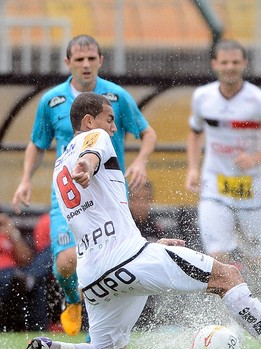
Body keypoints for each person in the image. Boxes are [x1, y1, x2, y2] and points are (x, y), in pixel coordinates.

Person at [26, 93, 261, 349]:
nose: (114, 127)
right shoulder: (95, 137)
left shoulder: (57, 169)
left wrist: (148, 245)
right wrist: (88, 164)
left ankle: (50, 347)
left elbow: (102, 220)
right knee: (227, 276)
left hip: (93, 275)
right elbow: (92, 153)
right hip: (127, 259)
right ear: (89, 121)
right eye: (110, 119)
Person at [11, 34, 157, 336]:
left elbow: (148, 133)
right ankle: (71, 296)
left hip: (109, 198)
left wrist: (140, 161)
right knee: (67, 262)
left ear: (101, 61)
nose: (86, 65)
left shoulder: (116, 97)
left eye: (92, 59)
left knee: (110, 267)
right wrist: (25, 179)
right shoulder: (52, 101)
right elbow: (37, 145)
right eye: (79, 60)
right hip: (68, 198)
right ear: (68, 63)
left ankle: (98, 334)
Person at [185, 39, 261, 287]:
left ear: (244, 64)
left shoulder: (260, 100)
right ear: (215, 64)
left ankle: (256, 301)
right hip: (214, 185)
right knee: (217, 254)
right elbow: (194, 132)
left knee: (253, 254)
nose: (230, 67)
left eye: (235, 62)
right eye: (224, 62)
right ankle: (225, 312)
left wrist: (255, 158)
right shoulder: (202, 97)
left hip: (250, 187)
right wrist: (192, 168)